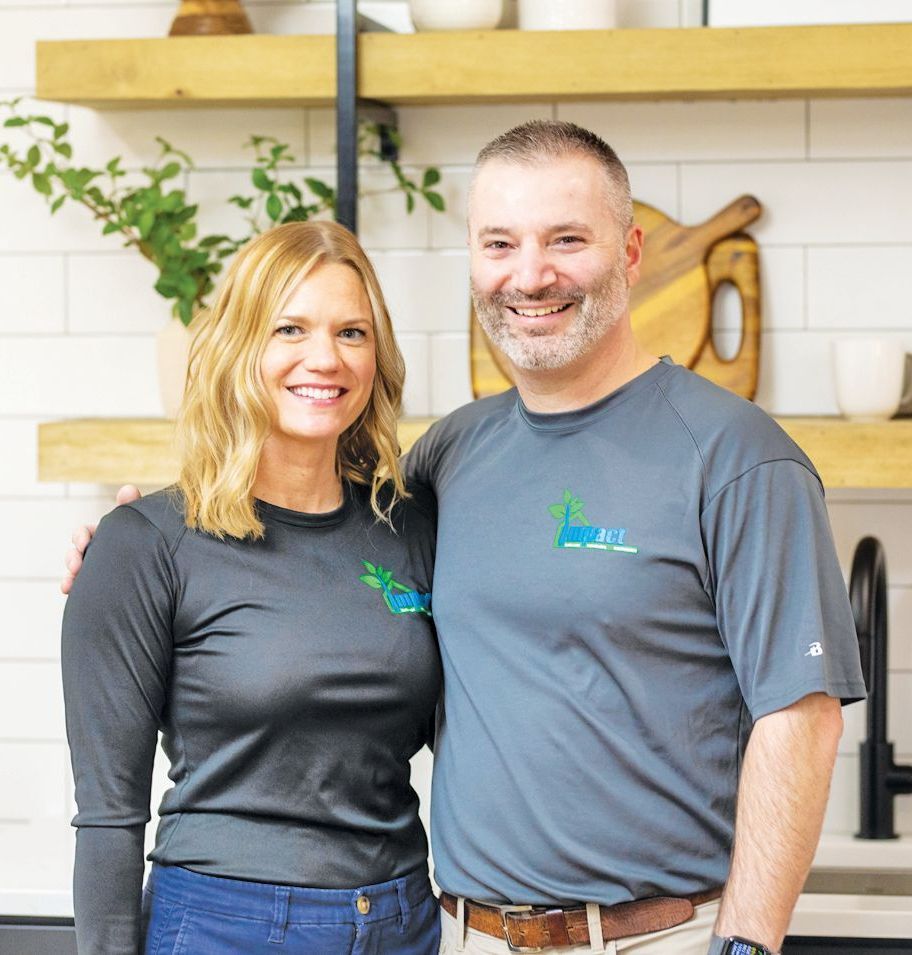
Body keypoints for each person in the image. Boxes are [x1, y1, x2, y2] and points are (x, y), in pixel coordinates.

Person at [65, 122, 866, 955]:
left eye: (566, 239)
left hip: (653, 937)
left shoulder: (738, 456)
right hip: (457, 933)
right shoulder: (451, 457)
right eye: (500, 243)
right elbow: (311, 554)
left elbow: (802, 720)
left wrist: (746, 944)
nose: (532, 274)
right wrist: (127, 554)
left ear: (631, 254)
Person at [61, 221, 442, 955]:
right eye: (289, 329)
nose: (325, 358)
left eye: (352, 332)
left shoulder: (413, 528)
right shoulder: (148, 543)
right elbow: (108, 815)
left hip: (403, 921)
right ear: (240, 348)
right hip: (225, 924)